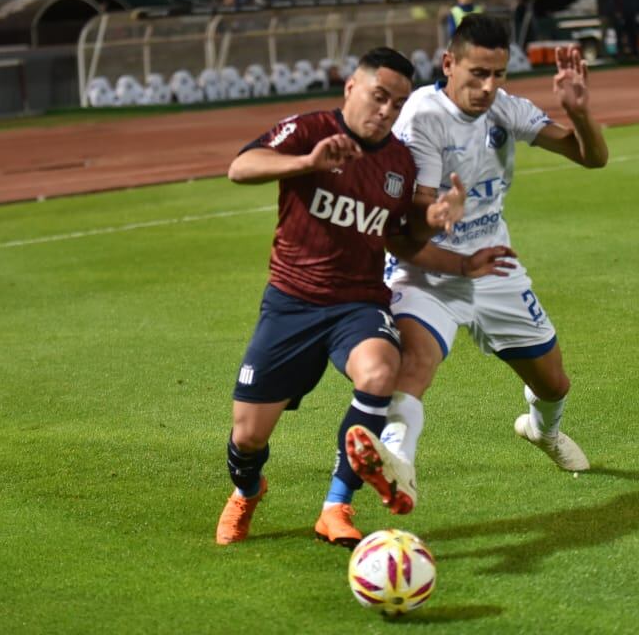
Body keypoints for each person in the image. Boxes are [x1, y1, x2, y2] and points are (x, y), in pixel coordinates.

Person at [215, 47, 514, 547]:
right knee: (248, 437)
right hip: (290, 303)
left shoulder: (397, 162)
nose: (387, 112)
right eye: (380, 97)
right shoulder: (309, 129)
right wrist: (307, 162)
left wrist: (459, 255)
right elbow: (240, 167)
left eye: (398, 104)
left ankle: (336, 506)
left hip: (357, 305)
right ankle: (247, 490)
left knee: (380, 370)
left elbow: (401, 239)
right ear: (352, 87)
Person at [345, 15, 609, 514]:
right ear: (448, 64)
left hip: (494, 263)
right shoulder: (423, 115)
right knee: (416, 363)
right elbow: (413, 218)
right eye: (477, 74)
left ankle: (541, 430)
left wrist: (580, 112)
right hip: (426, 266)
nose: (488, 87)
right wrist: (438, 215)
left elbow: (591, 158)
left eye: (498, 74)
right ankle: (398, 465)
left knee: (554, 384)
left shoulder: (506, 111)